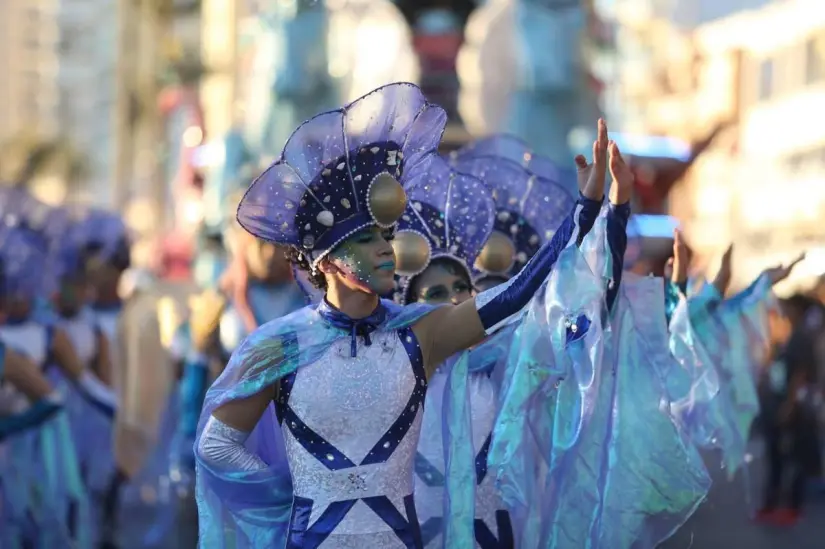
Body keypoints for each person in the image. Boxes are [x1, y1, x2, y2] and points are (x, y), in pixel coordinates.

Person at [194, 83, 610, 548]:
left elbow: (513, 296)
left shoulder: (420, 330)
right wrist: (288, 503)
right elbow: (216, 447)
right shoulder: (282, 346)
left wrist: (586, 211)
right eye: (367, 241)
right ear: (328, 261)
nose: (385, 250)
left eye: (386, 236)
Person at [758, 293, 822, 525]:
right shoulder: (788, 335)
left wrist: (789, 405)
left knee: (793, 455)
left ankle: (792, 506)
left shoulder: (800, 338)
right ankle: (776, 505)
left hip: (795, 407)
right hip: (785, 402)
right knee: (781, 455)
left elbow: (800, 374)